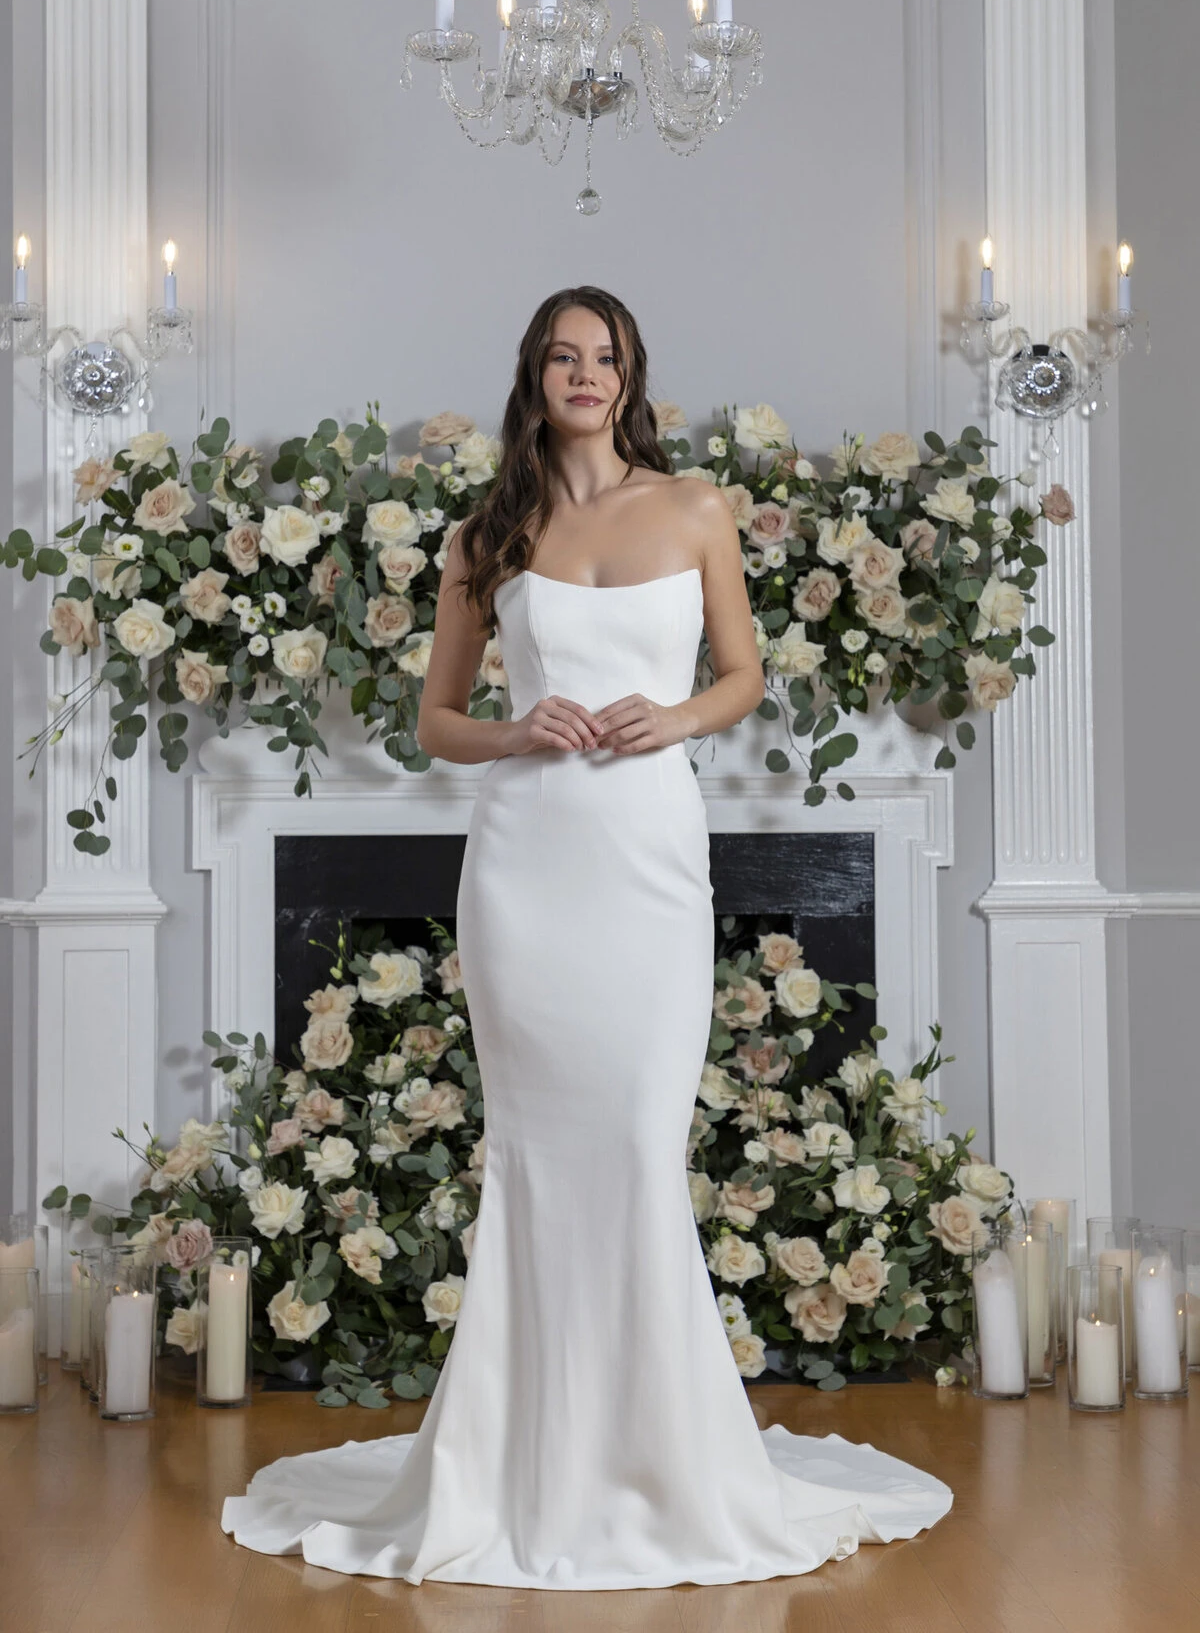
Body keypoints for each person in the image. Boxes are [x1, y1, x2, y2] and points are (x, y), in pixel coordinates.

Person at [220, 284, 952, 1587]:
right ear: (533, 375)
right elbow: (439, 718)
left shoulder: (695, 508)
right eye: (562, 356)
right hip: (527, 865)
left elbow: (741, 673)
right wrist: (522, 729)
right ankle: (523, 1461)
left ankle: (655, 1455)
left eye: (602, 355)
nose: (583, 374)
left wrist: (670, 721)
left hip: (650, 862)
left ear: (630, 374)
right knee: (540, 1157)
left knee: (633, 1144)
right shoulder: (485, 532)